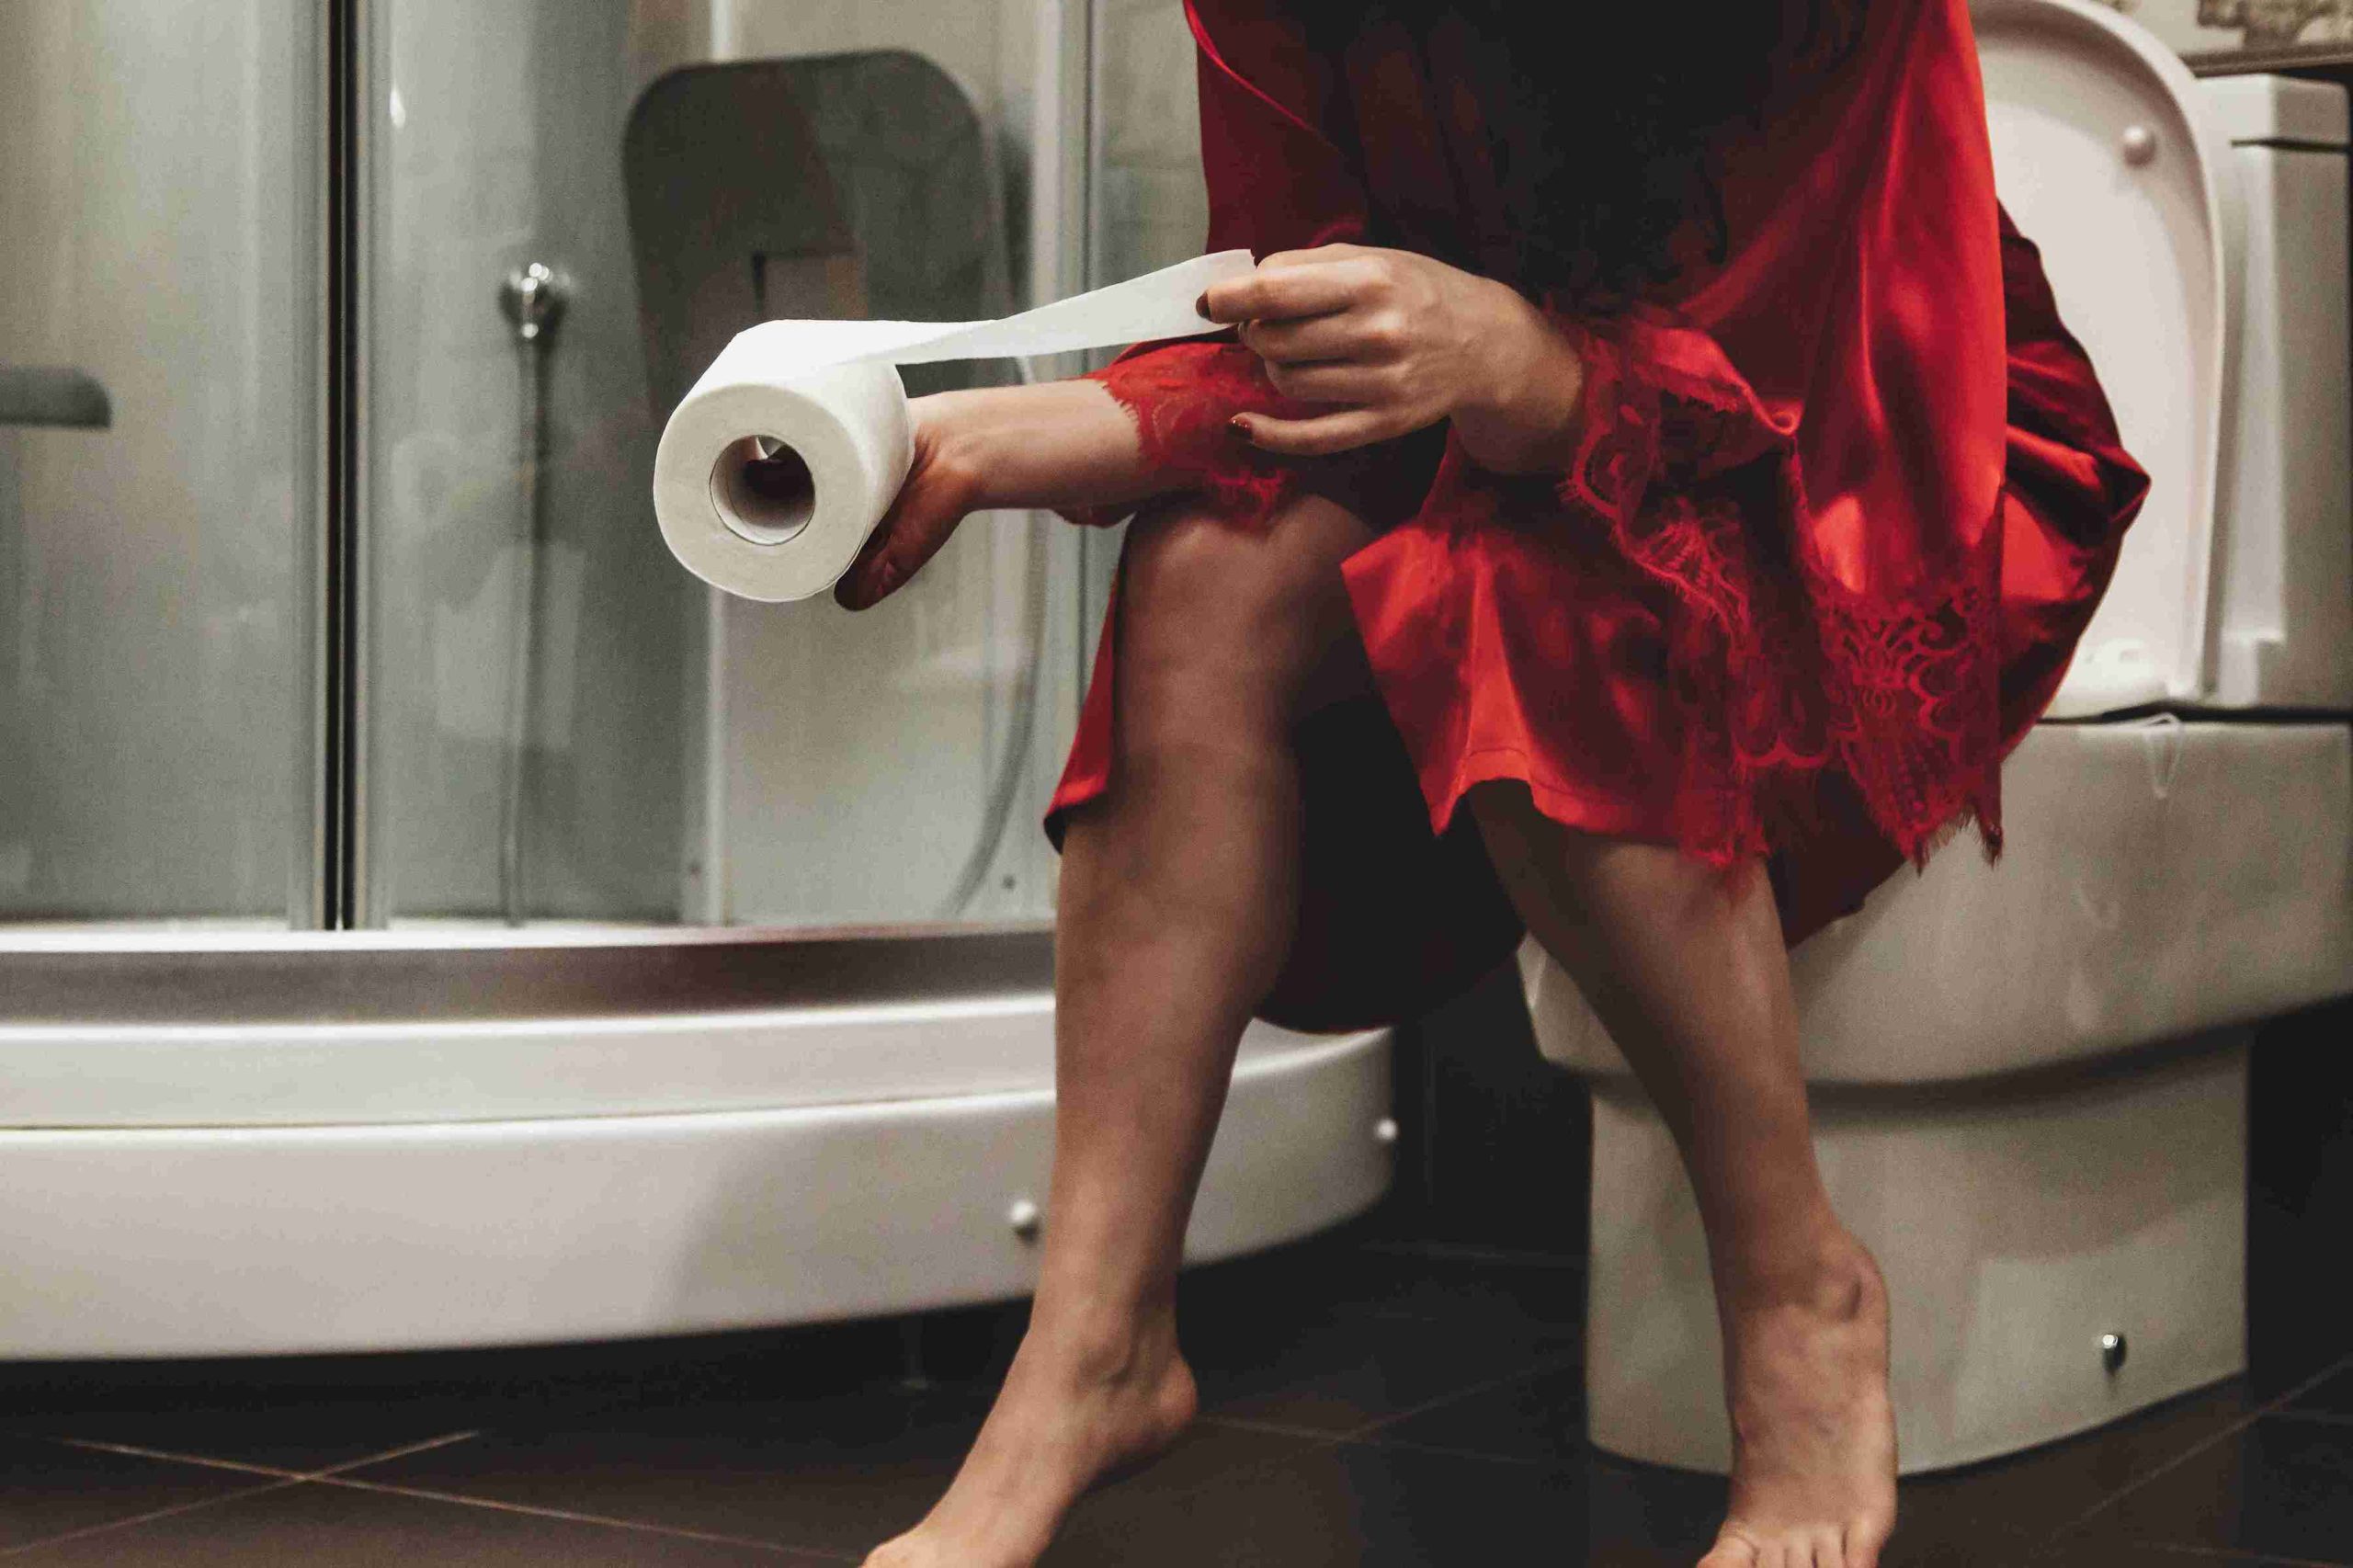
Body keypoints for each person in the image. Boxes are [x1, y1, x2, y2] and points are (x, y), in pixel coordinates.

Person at [823, 2, 2148, 1563]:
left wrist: (1511, 357)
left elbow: (1795, 368)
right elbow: (1309, 325)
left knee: (1517, 591)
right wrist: (990, 432)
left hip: (1888, 442)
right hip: (1525, 417)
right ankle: (1096, 1349)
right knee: (1207, 582)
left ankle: (1801, 1298)